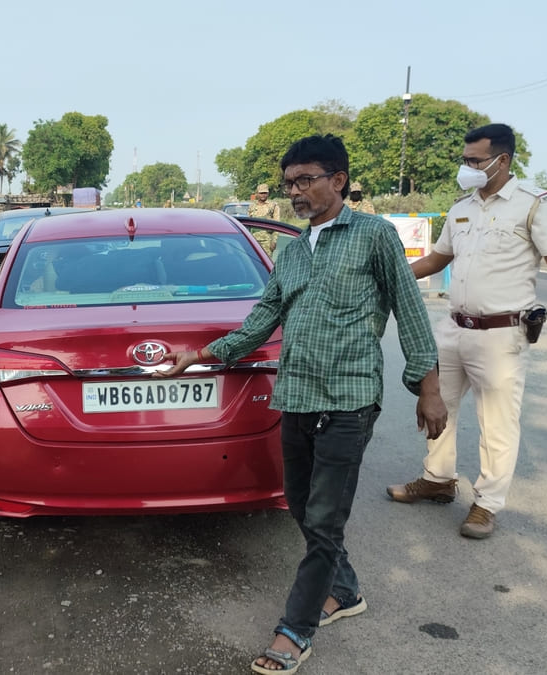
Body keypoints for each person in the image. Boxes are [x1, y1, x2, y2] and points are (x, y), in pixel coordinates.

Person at [157, 134, 446, 674]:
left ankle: (296, 628)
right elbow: (261, 320)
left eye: (306, 180)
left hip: (350, 398)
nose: (296, 191)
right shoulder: (291, 249)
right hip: (296, 396)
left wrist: (428, 389)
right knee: (298, 504)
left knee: (324, 519)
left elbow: (410, 312)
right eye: (290, 182)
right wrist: (199, 353)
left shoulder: (375, 237)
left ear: (338, 181)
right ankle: (346, 590)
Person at [387, 123, 547, 539]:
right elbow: (437, 259)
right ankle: (437, 478)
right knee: (436, 406)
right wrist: (389, 277)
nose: (466, 167)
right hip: (454, 327)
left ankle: (487, 503)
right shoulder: (463, 207)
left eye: (475, 160)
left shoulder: (533, 205)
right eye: (466, 159)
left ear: (502, 160)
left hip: (501, 334)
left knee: (497, 423)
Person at [248, 184, 281, 256]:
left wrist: (274, 241)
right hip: (253, 240)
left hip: (267, 241)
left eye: (265, 193)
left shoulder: (273, 206)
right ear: (257, 194)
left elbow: (277, 225)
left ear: (268, 193)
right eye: (261, 193)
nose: (263, 195)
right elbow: (249, 225)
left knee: (267, 264)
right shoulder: (252, 206)